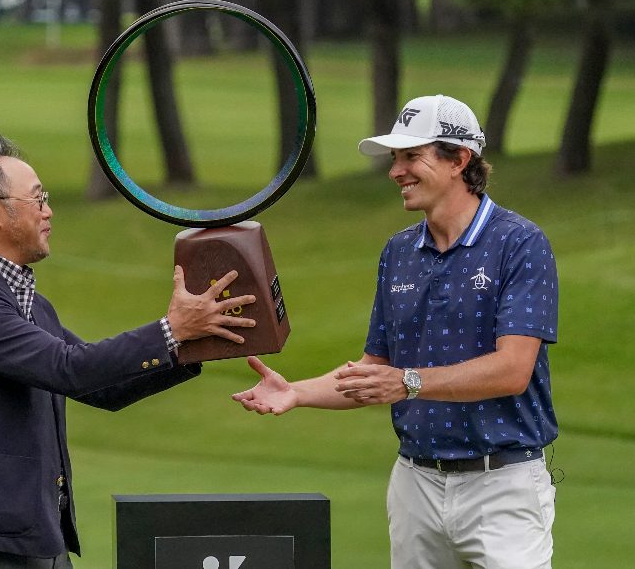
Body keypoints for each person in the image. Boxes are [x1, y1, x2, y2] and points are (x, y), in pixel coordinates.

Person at [233, 95, 559, 568]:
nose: (396, 171)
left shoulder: (520, 243)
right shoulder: (399, 252)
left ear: (459, 160)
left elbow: (512, 370)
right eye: (395, 159)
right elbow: (376, 370)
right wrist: (297, 392)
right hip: (416, 485)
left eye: (412, 156)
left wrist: (409, 383)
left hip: (502, 485)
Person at [0, 133, 256, 569]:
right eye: (38, 199)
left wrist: (195, 342)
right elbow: (69, 368)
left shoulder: (31, 305)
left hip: (38, 539)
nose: (49, 211)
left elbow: (104, 389)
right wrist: (171, 329)